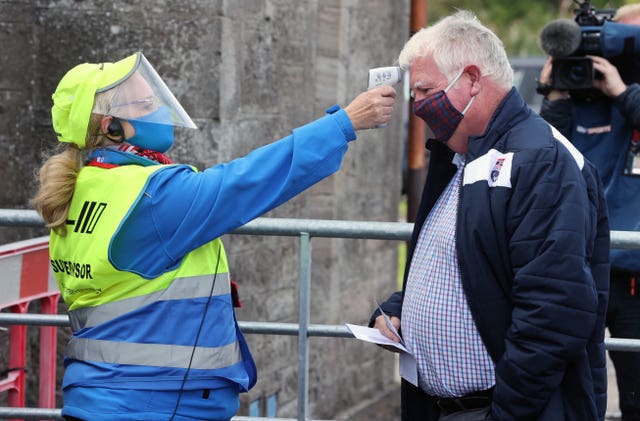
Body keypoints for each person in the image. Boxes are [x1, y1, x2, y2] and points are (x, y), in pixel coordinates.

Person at [32, 51, 396, 421]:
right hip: (156, 401)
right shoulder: (154, 196)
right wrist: (344, 124)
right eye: (145, 103)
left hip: (101, 396)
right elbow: (249, 179)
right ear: (113, 127)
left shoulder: (80, 188)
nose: (159, 107)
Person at [370, 10, 610, 421]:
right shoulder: (461, 155)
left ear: (472, 80)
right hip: (447, 408)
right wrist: (397, 309)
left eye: (425, 90)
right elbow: (463, 263)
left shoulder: (539, 160)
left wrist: (505, 413)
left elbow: (554, 310)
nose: (416, 105)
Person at [537, 4, 640, 420]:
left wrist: (621, 92)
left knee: (636, 394)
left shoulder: (626, 99)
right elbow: (547, 158)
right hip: (581, 272)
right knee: (575, 389)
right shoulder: (577, 97)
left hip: (634, 280)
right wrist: (555, 93)